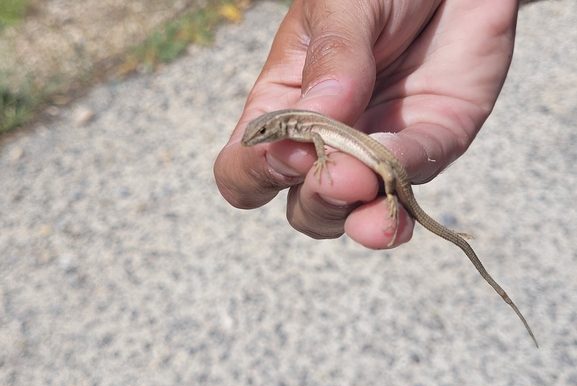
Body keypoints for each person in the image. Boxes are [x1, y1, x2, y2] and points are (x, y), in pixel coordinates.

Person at [214, 0, 526, 250]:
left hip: (378, 154)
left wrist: (322, 157)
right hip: (371, 149)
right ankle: (425, 220)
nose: (259, 138)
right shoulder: (295, 126)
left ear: (277, 127)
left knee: (387, 174)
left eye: (262, 132)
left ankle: (397, 202)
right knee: (355, 180)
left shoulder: (300, 124)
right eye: (259, 134)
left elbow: (318, 140)